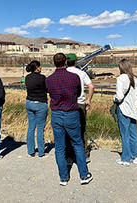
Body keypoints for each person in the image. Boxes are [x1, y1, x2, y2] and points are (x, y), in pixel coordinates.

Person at [45, 53, 93, 186]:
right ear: (65, 62)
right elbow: (78, 93)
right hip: (71, 113)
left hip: (56, 114)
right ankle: (84, 175)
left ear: (54, 63)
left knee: (59, 147)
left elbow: (49, 92)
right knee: (77, 143)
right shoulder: (74, 77)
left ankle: (63, 177)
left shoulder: (49, 79)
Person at [114, 59, 137, 167]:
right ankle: (135, 156)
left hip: (124, 108)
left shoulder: (120, 78)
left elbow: (119, 96)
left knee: (124, 134)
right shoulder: (133, 78)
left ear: (121, 67)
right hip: (133, 109)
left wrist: (114, 98)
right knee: (133, 133)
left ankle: (125, 158)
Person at [66, 53, 94, 163]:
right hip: (80, 104)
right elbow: (91, 86)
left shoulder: (64, 73)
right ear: (76, 62)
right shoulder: (82, 73)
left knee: (68, 130)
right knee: (82, 129)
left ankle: (69, 156)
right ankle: (85, 155)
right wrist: (89, 100)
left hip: (67, 104)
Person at [25, 60, 48, 157]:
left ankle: (31, 151)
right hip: (40, 103)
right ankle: (41, 152)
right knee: (40, 129)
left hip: (29, 102)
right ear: (37, 67)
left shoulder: (27, 77)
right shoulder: (42, 78)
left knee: (31, 128)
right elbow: (47, 89)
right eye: (40, 66)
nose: (41, 68)